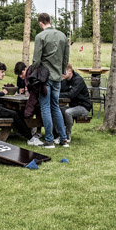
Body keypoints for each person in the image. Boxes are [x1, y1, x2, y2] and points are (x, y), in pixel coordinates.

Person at [31, 13, 72, 148]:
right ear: (50, 21)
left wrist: (32, 72)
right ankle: (63, 138)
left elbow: (37, 59)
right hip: (57, 77)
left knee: (45, 107)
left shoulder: (40, 36)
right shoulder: (62, 36)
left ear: (41, 23)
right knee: (55, 107)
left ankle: (49, 140)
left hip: (45, 77)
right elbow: (66, 58)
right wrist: (62, 72)